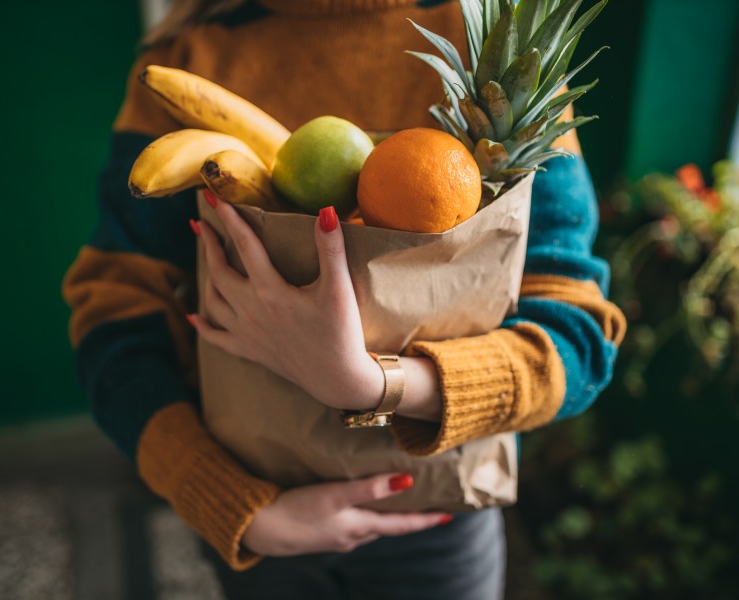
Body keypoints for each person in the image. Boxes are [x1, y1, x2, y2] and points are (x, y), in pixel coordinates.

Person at [63, 0, 627, 598]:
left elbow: (577, 335)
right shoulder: (186, 58)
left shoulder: (504, 56)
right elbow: (116, 314)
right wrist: (223, 497)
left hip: (437, 519)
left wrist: (369, 384)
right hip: (261, 517)